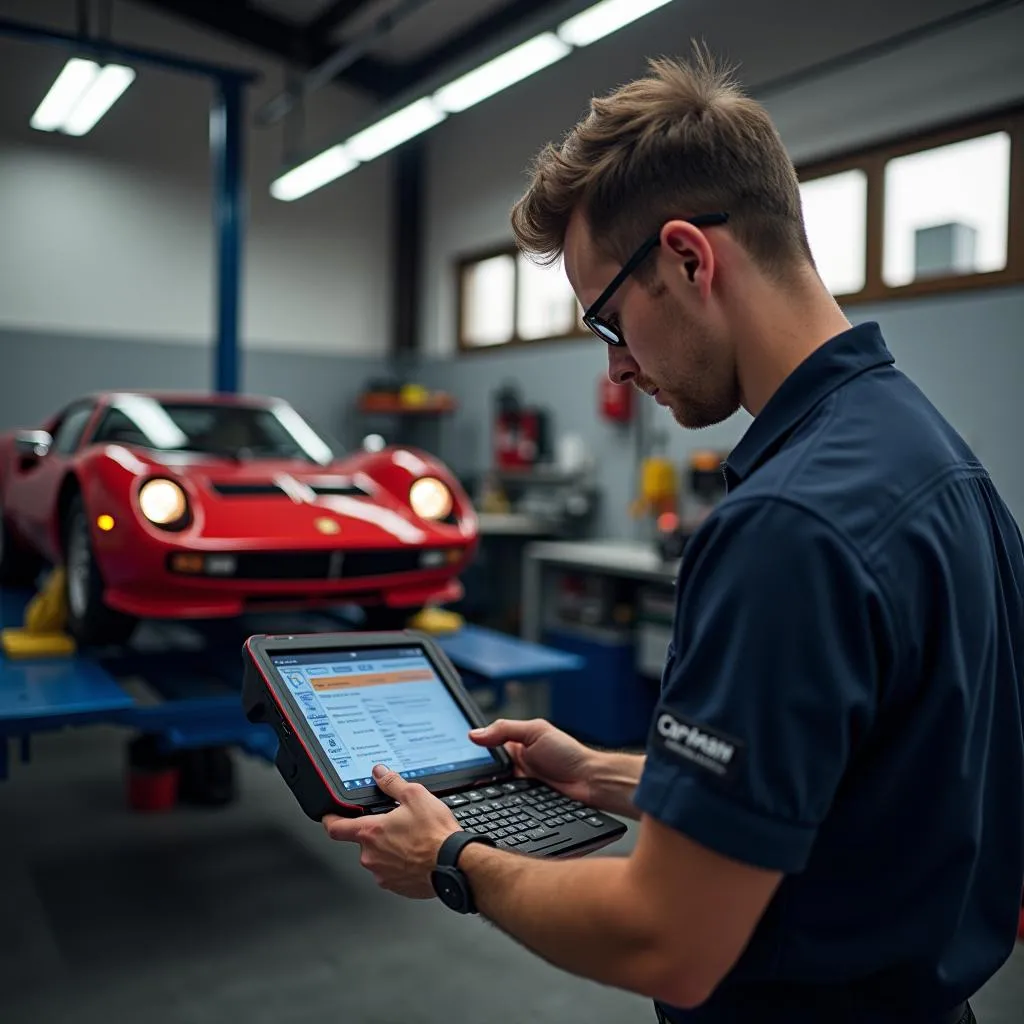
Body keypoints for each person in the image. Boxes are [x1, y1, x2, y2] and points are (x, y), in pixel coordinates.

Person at [324, 47, 1024, 1023]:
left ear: (690, 258)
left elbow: (669, 937)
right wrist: (600, 771)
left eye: (608, 323)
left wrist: (452, 858)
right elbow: (860, 789)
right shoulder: (942, 466)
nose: (615, 370)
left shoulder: (786, 525)